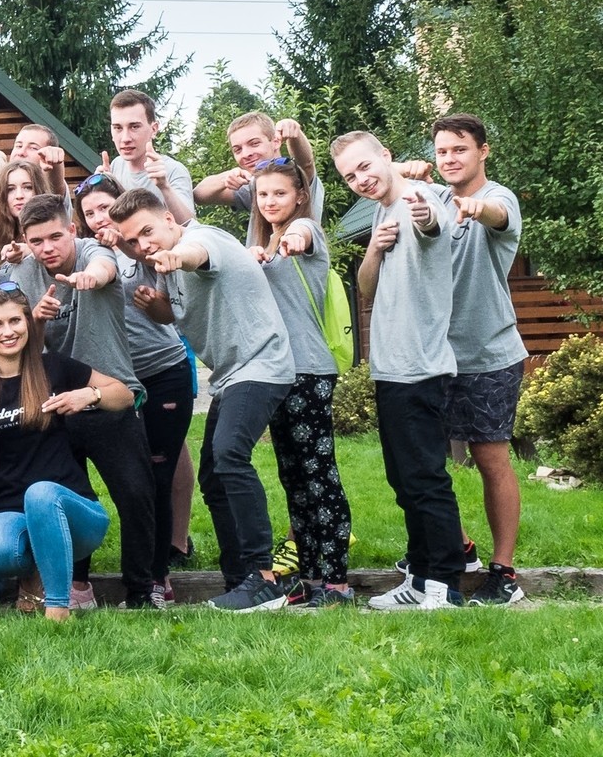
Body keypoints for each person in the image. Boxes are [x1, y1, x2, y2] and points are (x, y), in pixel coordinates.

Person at [109, 187, 296, 611]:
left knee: (230, 455)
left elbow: (196, 255)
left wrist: (176, 258)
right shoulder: (162, 268)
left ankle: (264, 579)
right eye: (132, 241)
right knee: (214, 476)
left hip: (262, 362)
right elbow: (172, 314)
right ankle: (240, 580)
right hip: (230, 375)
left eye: (147, 232)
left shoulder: (202, 239)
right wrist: (155, 306)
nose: (142, 245)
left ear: (168, 220)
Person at [332, 130, 467, 609]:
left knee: (426, 480)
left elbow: (432, 224)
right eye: (350, 176)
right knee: (404, 481)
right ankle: (419, 578)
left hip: (421, 368)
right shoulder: (382, 211)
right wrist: (374, 248)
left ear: (386, 156)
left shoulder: (422, 198)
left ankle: (445, 586)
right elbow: (367, 289)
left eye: (365, 166)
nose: (361, 179)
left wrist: (423, 213)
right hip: (391, 369)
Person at [6, 194, 156, 609]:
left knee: (135, 496)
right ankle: (76, 586)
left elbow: (105, 268)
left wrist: (91, 278)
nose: (47, 248)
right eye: (37, 241)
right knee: (67, 501)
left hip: (111, 398)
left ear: (72, 229)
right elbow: (11, 340)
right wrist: (35, 319)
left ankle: (142, 591)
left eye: (56, 237)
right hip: (58, 407)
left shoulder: (92, 251)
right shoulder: (21, 272)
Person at [0, 285, 114, 621]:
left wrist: (90, 395)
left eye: (15, 321)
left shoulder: (53, 367)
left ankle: (58, 608)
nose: (8, 331)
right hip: (14, 515)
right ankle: (36, 576)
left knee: (41, 494)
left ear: (27, 322)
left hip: (76, 515)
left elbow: (122, 392)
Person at [71, 173, 195, 605]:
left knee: (158, 476)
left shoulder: (141, 246)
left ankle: (157, 579)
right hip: (116, 383)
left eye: (105, 208)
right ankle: (129, 575)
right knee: (133, 481)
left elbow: (164, 280)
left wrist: (124, 244)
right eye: (90, 213)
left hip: (161, 370)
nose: (99, 218)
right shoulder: (85, 253)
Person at [246, 158, 353, 607]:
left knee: (319, 476)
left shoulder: (306, 231)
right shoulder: (258, 242)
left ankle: (337, 583)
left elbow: (303, 235)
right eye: (263, 194)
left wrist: (291, 239)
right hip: (277, 372)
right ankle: (310, 577)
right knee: (293, 477)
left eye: (280, 193)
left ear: (300, 196)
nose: (270, 201)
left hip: (308, 371)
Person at [434, 113, 528, 605]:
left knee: (490, 459)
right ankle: (461, 548)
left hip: (489, 353)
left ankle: (504, 573)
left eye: (460, 149)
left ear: (482, 151)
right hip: (434, 357)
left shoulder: (498, 197)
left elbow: (498, 214)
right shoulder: (433, 199)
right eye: (442, 151)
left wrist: (476, 207)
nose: (450, 159)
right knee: (421, 460)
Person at [195, 112, 324, 230]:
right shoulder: (252, 186)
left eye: (254, 143)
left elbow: (306, 164)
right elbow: (199, 195)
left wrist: (294, 133)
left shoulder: (295, 176)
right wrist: (227, 178)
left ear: (276, 142)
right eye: (238, 149)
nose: (246, 154)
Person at [105, 89, 194, 224]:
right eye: (118, 128)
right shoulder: (115, 166)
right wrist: (100, 187)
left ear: (154, 129)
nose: (125, 138)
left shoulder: (173, 170)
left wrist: (164, 187)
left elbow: (190, 226)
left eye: (134, 127)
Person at [0, 159, 51, 282]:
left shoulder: (53, 228)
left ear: (39, 190)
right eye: (11, 189)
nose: (19, 195)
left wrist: (31, 251)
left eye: (27, 187)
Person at [10, 123, 70, 196]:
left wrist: (55, 164)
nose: (21, 152)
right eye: (19, 146)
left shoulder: (48, 195)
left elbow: (55, 190)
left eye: (33, 148)